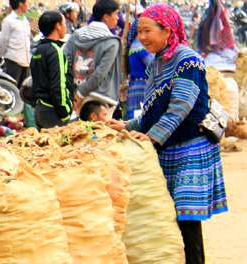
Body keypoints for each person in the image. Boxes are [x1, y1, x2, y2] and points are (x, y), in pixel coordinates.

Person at [108, 5, 228, 264]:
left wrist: (151, 137)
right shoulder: (157, 61)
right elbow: (152, 109)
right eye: (139, 32)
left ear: (167, 30)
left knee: (187, 217)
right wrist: (128, 126)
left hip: (190, 148)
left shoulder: (188, 60)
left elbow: (181, 106)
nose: (142, 37)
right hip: (169, 146)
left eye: (148, 31)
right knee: (169, 215)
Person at [64, 0, 122, 114]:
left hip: (76, 95)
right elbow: (100, 73)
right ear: (106, 17)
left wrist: (75, 92)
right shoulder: (111, 42)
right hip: (101, 98)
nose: (118, 18)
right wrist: (81, 94)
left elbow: (65, 62)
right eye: (116, 14)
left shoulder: (76, 36)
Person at [32, 10, 74, 129]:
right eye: (64, 24)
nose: (65, 27)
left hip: (40, 109)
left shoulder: (38, 50)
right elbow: (59, 84)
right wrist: (64, 112)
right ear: (57, 26)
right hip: (53, 111)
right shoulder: (56, 51)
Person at [125, 15, 153, 119]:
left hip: (134, 87)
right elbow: (153, 64)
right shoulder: (140, 47)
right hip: (142, 88)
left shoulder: (134, 45)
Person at [0, 0, 31, 88]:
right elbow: (3, 41)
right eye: (27, 3)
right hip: (14, 60)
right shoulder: (8, 21)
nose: (28, 6)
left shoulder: (25, 20)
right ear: (20, 4)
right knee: (13, 87)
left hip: (25, 60)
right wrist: (7, 55)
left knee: (25, 88)